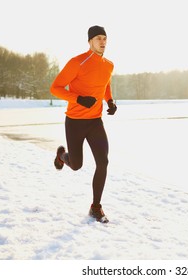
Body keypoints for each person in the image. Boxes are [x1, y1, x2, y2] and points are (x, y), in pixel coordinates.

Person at [50, 25, 117, 223]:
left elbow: (105, 84)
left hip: (95, 121)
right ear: (89, 41)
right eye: (98, 38)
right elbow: (55, 88)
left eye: (105, 38)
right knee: (77, 165)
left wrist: (110, 101)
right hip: (75, 122)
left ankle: (96, 207)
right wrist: (78, 99)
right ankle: (62, 155)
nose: (102, 42)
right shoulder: (77, 62)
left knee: (103, 162)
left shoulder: (109, 65)